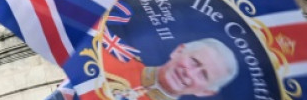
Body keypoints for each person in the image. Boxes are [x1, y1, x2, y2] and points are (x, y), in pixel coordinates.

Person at [101, 38, 238, 99]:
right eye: (194, 61)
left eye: (203, 75)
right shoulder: (110, 55)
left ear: (206, 92)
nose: (189, 73)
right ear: (178, 51)